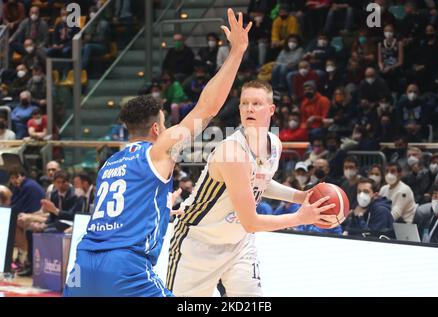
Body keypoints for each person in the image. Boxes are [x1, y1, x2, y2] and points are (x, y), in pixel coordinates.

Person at [64, 9, 253, 297]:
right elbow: (207, 108)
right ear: (156, 128)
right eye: (165, 122)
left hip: (84, 262)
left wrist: (163, 205)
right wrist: (237, 52)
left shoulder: (109, 164)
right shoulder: (158, 149)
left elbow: (120, 210)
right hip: (124, 266)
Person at [166, 80, 336, 297]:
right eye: (245, 103)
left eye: (257, 103)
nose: (249, 108)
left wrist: (300, 197)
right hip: (198, 242)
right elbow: (251, 222)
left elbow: (259, 183)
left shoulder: (274, 144)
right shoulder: (232, 153)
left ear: (271, 110)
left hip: (239, 243)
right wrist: (301, 218)